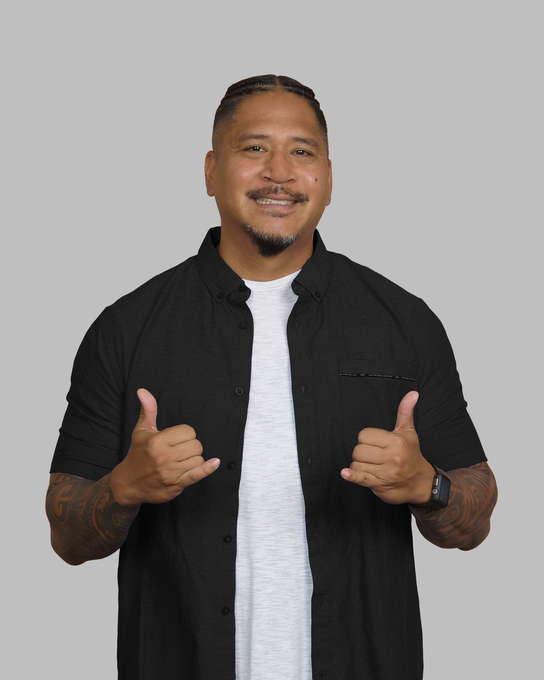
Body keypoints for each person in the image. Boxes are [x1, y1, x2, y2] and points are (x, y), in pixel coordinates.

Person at [46, 75, 498, 680]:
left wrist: (427, 485)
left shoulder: (404, 322)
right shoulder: (126, 329)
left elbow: (475, 515)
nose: (279, 172)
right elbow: (67, 535)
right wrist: (123, 488)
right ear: (211, 170)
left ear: (329, 177)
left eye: (302, 151)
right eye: (254, 148)